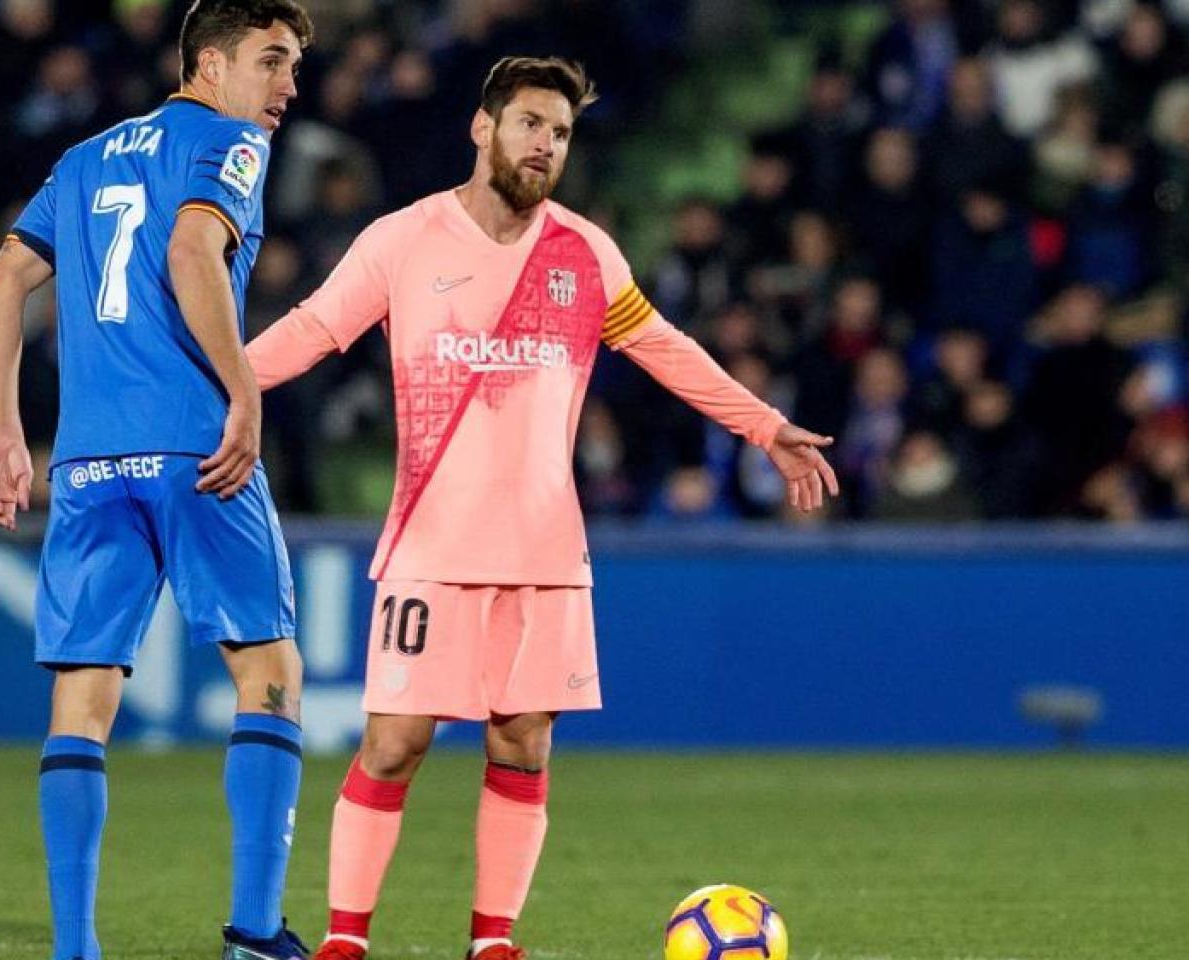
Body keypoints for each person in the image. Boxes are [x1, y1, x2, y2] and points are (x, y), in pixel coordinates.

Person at [244, 57, 840, 960]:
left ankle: (493, 943)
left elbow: (665, 349)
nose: (545, 145)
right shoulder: (403, 239)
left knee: (522, 747)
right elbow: (315, 328)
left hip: (545, 552)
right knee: (395, 742)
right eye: (529, 124)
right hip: (431, 546)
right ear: (482, 128)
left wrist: (765, 428)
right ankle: (346, 939)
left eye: (559, 133)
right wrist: (220, 391)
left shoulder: (584, 252)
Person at [0, 3, 314, 959]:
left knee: (80, 703)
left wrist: (7, 432)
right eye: (271, 61)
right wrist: (242, 392)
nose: (287, 85)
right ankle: (253, 930)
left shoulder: (82, 161)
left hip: (86, 460)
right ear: (210, 62)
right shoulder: (233, 142)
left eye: (294, 66)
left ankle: (75, 949)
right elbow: (191, 250)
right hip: (195, 449)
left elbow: (0, 285)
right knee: (270, 672)